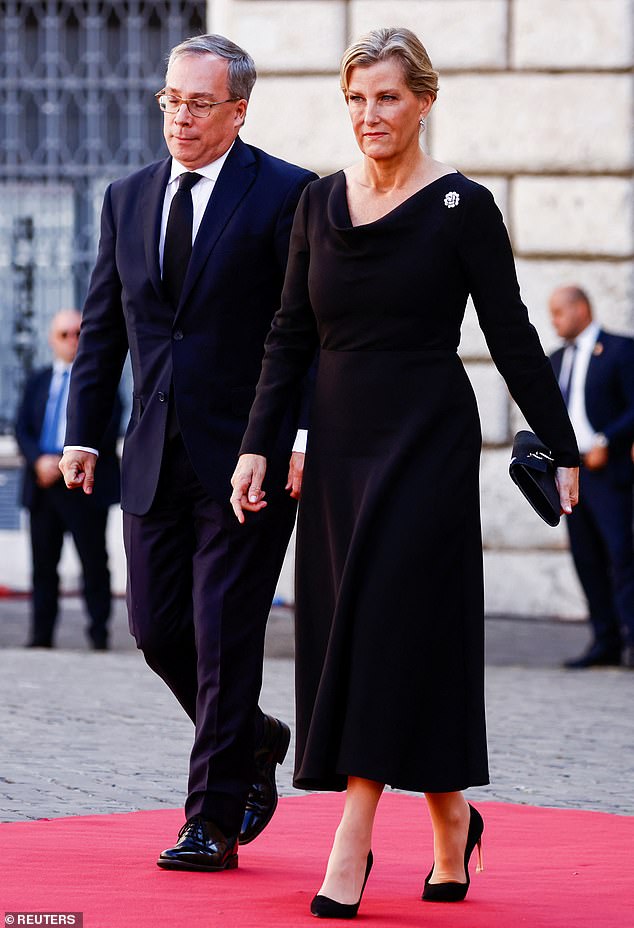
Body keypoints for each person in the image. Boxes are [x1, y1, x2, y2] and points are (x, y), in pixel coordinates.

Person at [231, 27, 579, 918]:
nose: (369, 115)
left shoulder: (463, 208)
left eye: (386, 97)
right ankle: (454, 823)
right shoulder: (315, 204)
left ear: (424, 100)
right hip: (342, 445)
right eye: (355, 98)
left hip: (427, 440)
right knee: (370, 627)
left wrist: (563, 444)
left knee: (384, 621)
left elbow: (510, 335)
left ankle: (352, 840)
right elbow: (288, 337)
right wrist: (260, 444)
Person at [58, 35, 316, 871]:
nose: (180, 116)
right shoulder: (126, 196)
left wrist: (297, 437)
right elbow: (106, 326)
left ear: (238, 110)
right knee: (156, 628)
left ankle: (210, 818)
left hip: (249, 459)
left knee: (224, 632)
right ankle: (256, 735)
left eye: (199, 103)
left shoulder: (286, 194)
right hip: (150, 455)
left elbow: (304, 331)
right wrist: (84, 431)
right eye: (171, 99)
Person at [15, 309, 121, 650]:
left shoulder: (100, 381)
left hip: (84, 486)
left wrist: (68, 458)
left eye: (78, 333)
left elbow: (109, 425)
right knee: (43, 565)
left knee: (93, 563)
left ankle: (99, 636)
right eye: (65, 334)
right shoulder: (39, 380)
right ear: (52, 339)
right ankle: (41, 637)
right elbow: (22, 428)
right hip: (43, 485)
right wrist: (38, 461)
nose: (73, 340)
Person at [549, 285, 634, 669]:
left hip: (608, 473)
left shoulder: (619, 349)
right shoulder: (554, 361)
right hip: (570, 474)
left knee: (621, 555)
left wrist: (609, 441)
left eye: (558, 312)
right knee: (586, 558)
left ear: (581, 309)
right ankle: (606, 641)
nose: (554, 320)